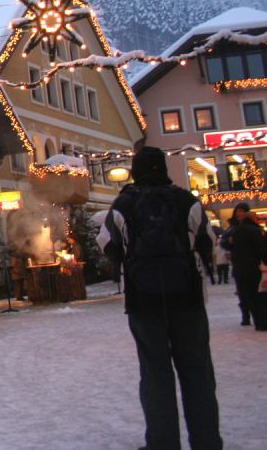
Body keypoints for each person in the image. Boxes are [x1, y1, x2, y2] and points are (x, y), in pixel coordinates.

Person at [98, 145, 223, 450]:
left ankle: (162, 442)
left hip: (144, 300)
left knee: (155, 373)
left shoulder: (124, 204)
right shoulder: (186, 200)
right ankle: (207, 442)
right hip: (187, 297)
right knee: (197, 371)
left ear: (135, 171)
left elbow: (107, 245)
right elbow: (208, 242)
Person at [222, 205, 267, 331]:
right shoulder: (255, 231)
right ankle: (265, 322)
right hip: (255, 267)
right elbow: (262, 247)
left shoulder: (234, 231)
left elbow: (225, 244)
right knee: (261, 296)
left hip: (240, 268)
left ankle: (256, 321)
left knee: (249, 296)